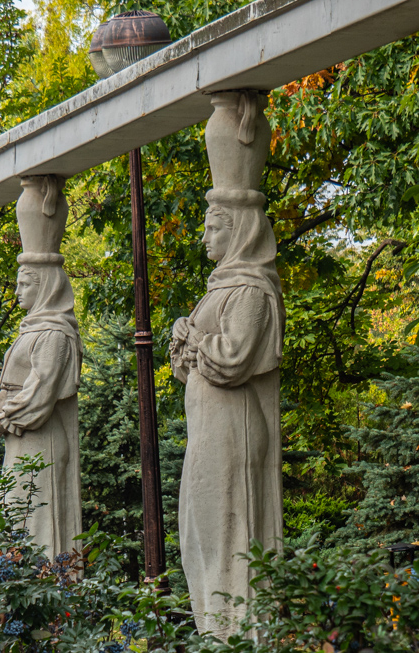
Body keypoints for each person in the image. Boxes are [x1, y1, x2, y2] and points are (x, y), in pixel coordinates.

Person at [170, 201, 284, 637]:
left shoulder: (251, 292)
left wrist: (195, 336)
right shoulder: (218, 289)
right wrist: (184, 342)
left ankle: (237, 633)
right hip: (207, 428)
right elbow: (191, 368)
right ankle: (214, 631)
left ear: (237, 233)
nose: (204, 238)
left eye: (213, 228)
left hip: (233, 426)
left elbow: (232, 359)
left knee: (230, 531)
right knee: (198, 531)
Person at [0, 262, 83, 561]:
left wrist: (5, 417)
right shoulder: (30, 331)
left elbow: (40, 392)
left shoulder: (54, 335)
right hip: (20, 437)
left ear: (44, 288)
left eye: (25, 284)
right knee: (17, 513)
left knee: (38, 518)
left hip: (40, 441)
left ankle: (48, 590)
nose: (17, 291)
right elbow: (12, 387)